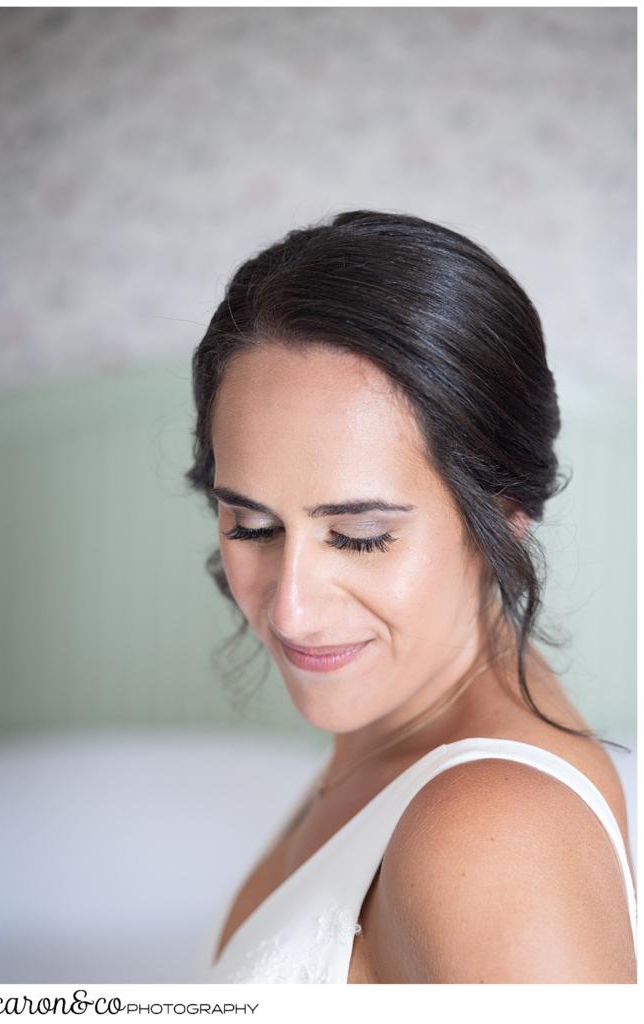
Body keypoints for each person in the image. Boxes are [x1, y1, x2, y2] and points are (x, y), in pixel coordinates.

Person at [185, 210, 637, 983]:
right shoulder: (385, 732)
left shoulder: (494, 829)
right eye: (252, 526)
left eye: (360, 536)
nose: (290, 610)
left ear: (504, 512)